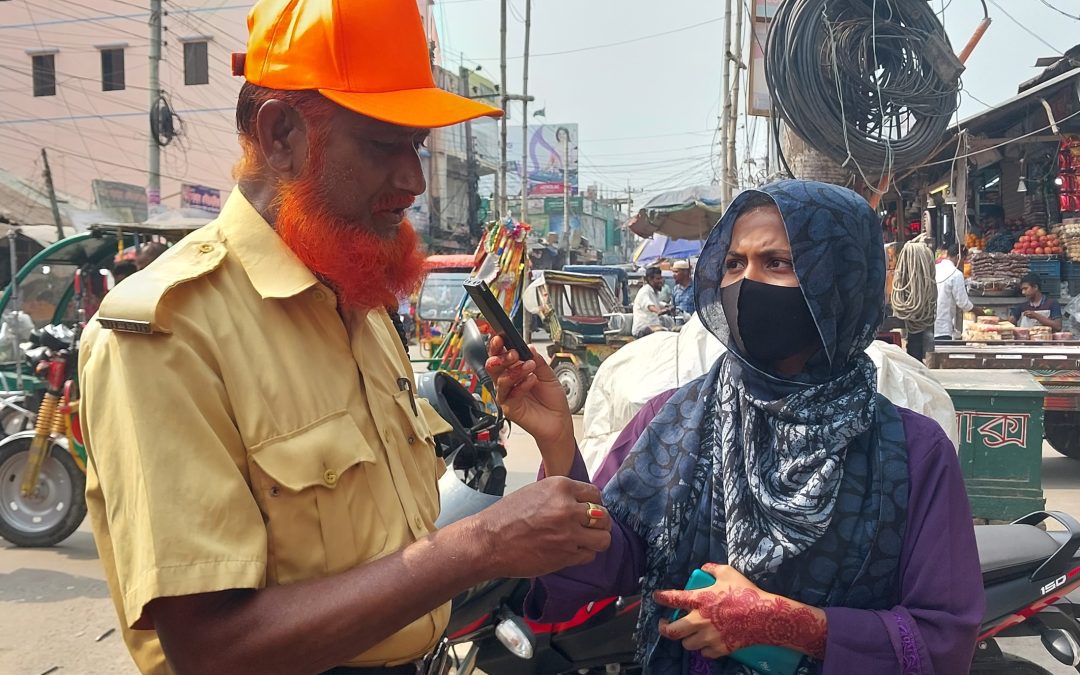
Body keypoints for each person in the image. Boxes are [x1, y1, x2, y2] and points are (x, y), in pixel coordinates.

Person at [78, 1, 610, 673]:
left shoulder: (356, 301)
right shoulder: (169, 334)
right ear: (281, 135)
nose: (414, 180)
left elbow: (396, 555)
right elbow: (210, 649)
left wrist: (552, 445)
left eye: (416, 147)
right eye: (385, 143)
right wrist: (480, 546)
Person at [487, 181, 983, 674]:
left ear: (838, 279)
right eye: (733, 264)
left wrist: (797, 626)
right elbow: (603, 561)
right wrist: (556, 442)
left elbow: (943, 640)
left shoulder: (909, 451)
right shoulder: (673, 419)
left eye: (777, 263)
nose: (747, 283)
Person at [934, 248, 973, 340]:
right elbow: (963, 303)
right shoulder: (956, 274)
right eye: (964, 260)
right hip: (942, 328)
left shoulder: (935, 268)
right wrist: (978, 311)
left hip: (929, 326)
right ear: (958, 257)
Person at [633, 266, 672, 337]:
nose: (661, 281)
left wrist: (667, 306)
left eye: (661, 278)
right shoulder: (645, 291)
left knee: (671, 331)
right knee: (662, 332)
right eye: (658, 279)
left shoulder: (654, 292)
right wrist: (658, 311)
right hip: (642, 328)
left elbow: (657, 303)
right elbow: (649, 305)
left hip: (653, 326)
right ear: (649, 279)